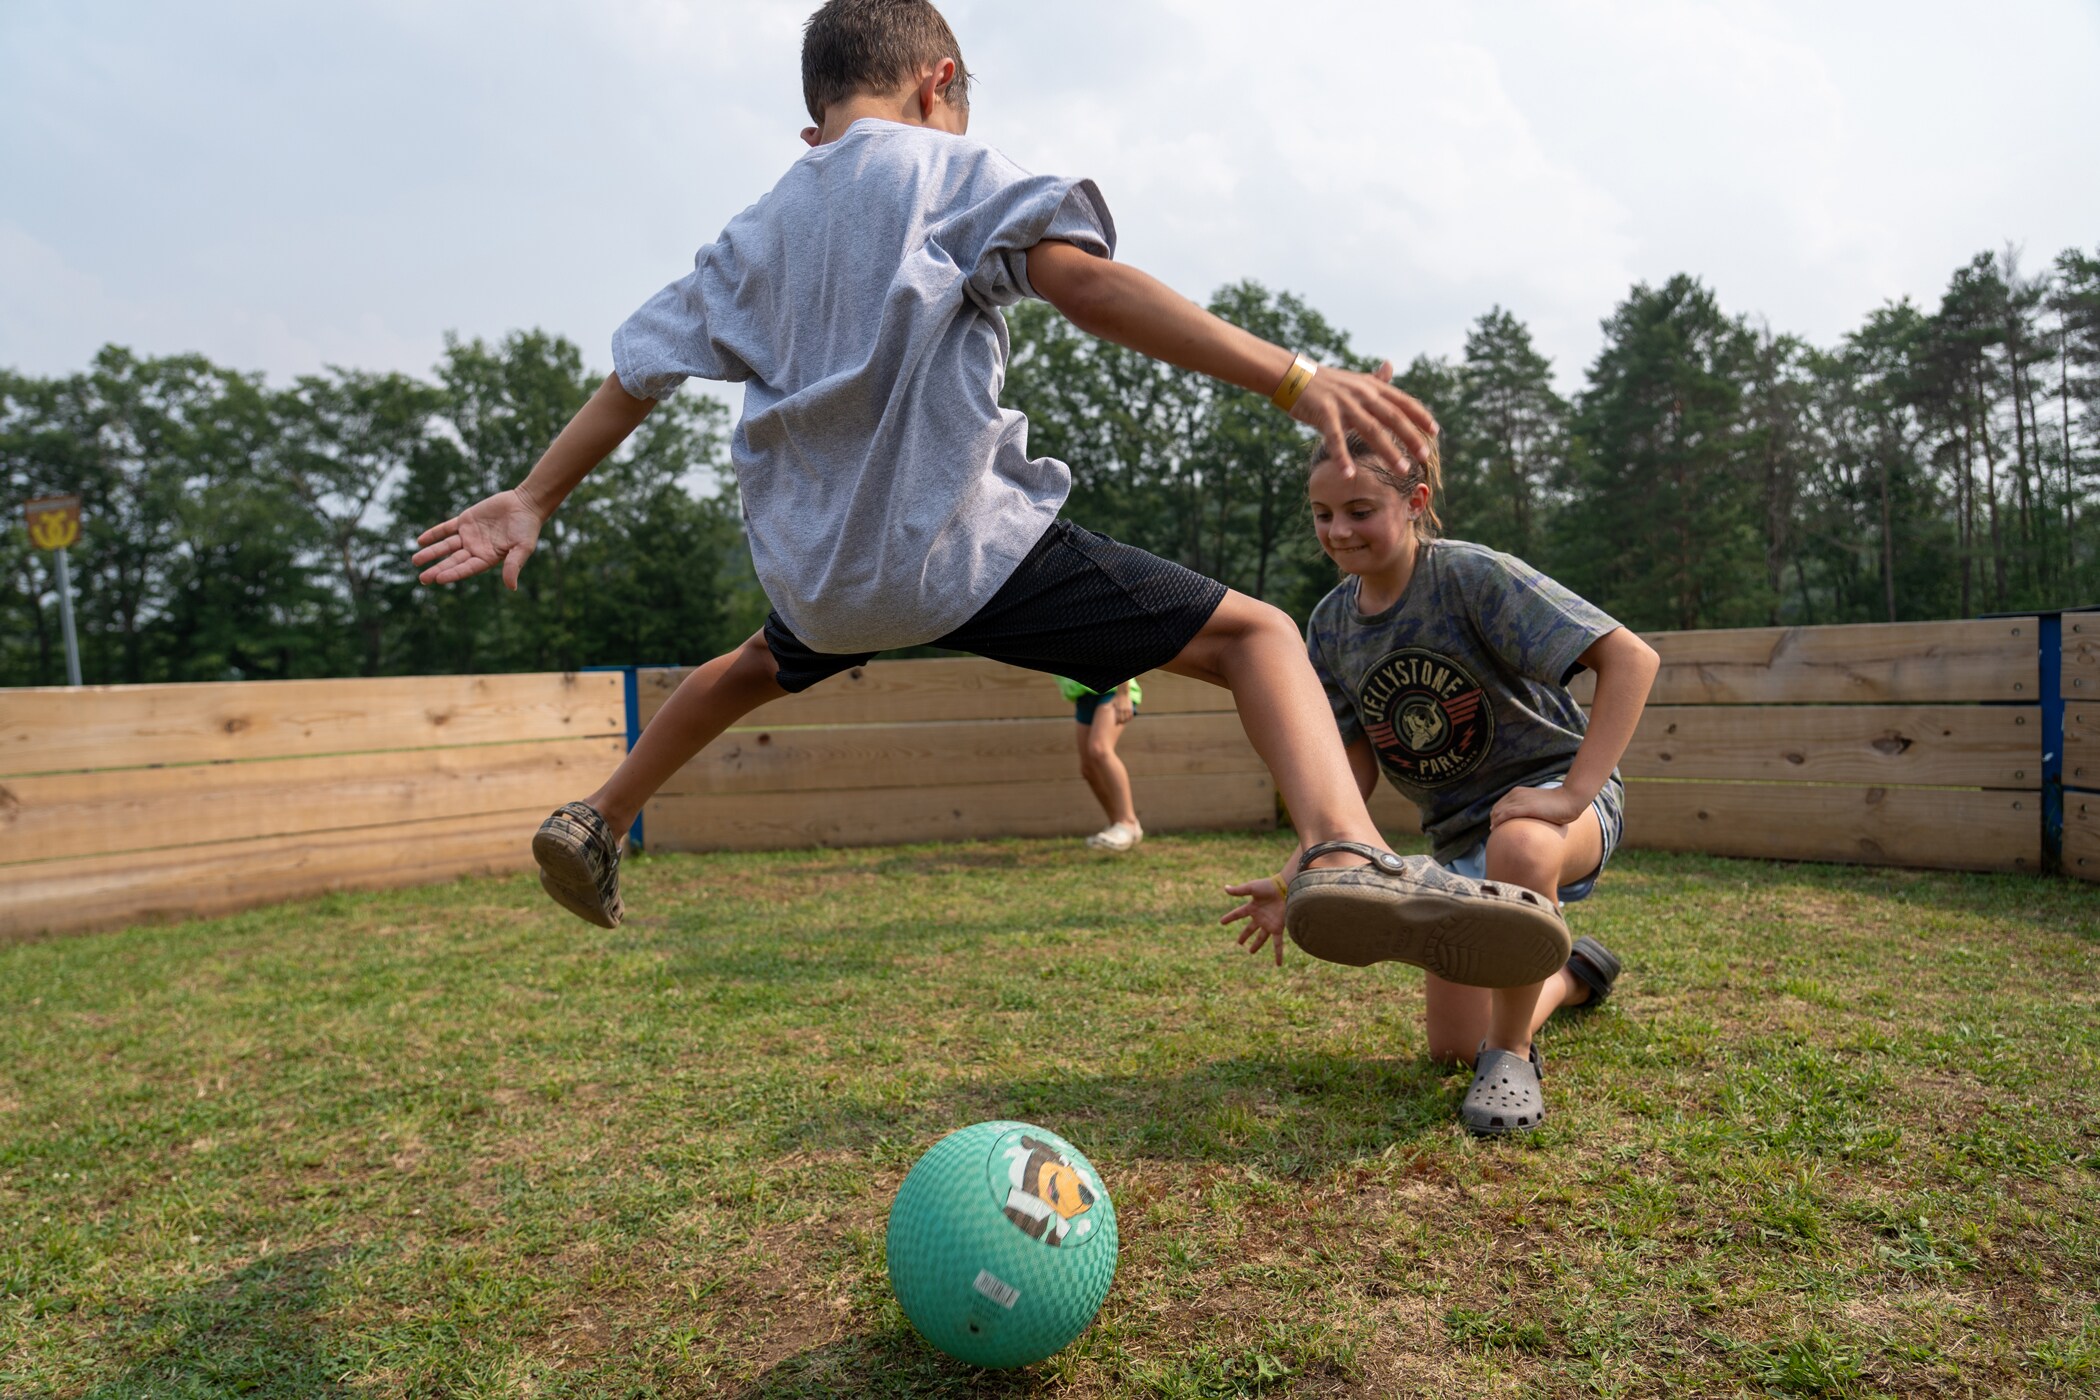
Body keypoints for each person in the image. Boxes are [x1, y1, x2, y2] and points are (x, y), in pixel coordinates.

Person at [411, 0, 1568, 988]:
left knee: (748, 671)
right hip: (961, 552)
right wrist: (1293, 375)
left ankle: (598, 815)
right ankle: (1340, 849)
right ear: (939, 83)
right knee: (1257, 636)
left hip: (822, 580)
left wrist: (532, 497)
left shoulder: (754, 230)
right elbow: (1090, 286)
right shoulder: (947, 169)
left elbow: (633, 377)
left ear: (812, 123)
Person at [1223, 429, 1660, 1137]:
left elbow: (1632, 659)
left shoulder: (1470, 577)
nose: (1338, 530)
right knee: (1455, 1050)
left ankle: (1515, 1057)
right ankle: (1572, 974)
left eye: (1360, 509)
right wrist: (1294, 871)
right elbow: (1346, 772)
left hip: (1553, 803)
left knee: (1519, 847)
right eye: (1322, 513)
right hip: (1459, 843)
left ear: (1415, 502)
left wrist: (1573, 794)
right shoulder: (1331, 626)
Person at [1056, 675, 1143, 851]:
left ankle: (1128, 822)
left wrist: (1123, 693)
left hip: (1113, 689)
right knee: (1088, 769)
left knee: (1100, 748)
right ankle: (1117, 826)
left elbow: (1119, 648)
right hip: (1084, 694)